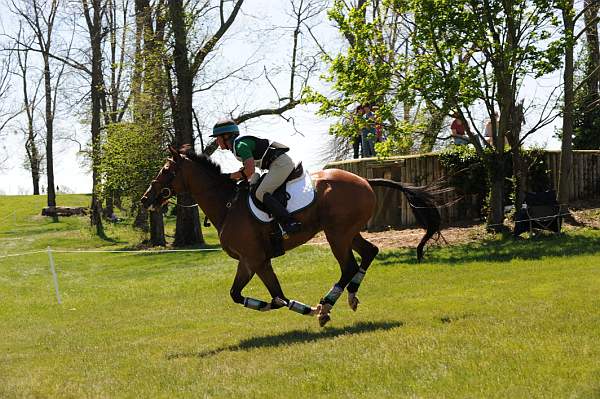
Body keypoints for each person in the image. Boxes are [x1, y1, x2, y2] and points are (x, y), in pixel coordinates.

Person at [211, 119, 302, 236]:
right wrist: (235, 176)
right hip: (275, 164)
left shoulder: (240, 146)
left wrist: (228, 176)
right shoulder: (238, 145)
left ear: (226, 136)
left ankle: (289, 223)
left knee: (261, 193)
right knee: (252, 183)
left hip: (281, 164)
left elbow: (249, 171)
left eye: (217, 137)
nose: (216, 141)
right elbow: (248, 171)